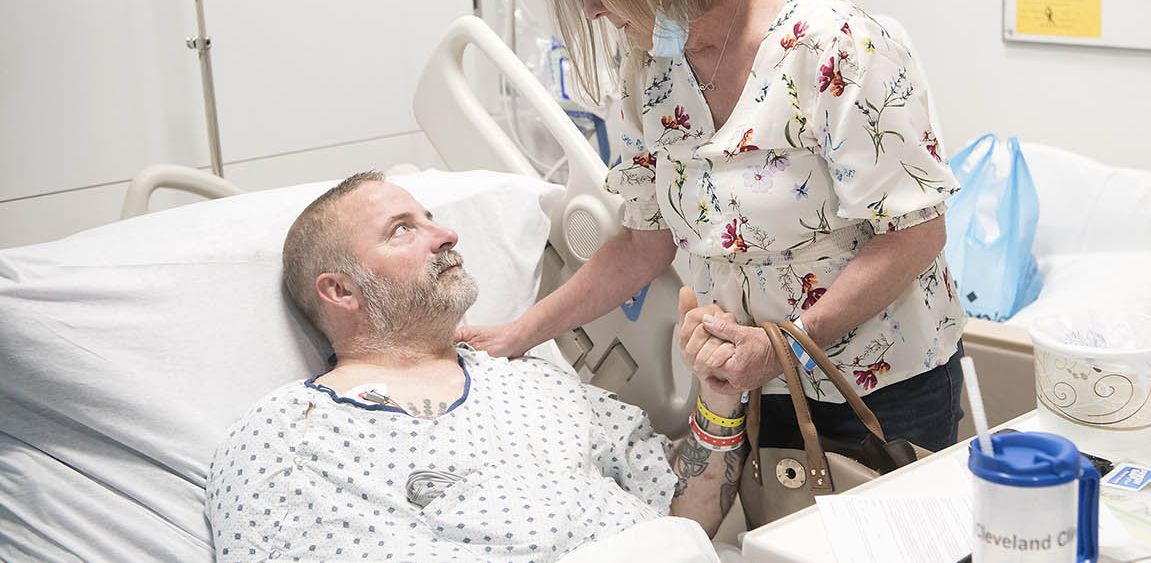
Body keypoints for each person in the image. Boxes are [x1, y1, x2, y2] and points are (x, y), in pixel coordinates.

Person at [457, 0, 967, 453]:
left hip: (880, 383)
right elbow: (645, 239)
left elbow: (915, 235)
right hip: (746, 382)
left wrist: (786, 346)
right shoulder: (652, 62)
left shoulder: (833, 45)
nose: (591, 10)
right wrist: (519, 333)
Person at [205, 172, 748, 562]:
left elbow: (686, 521)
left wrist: (719, 397)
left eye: (431, 220)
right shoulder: (285, 436)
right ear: (340, 290)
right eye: (402, 230)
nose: (446, 236)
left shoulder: (535, 380)